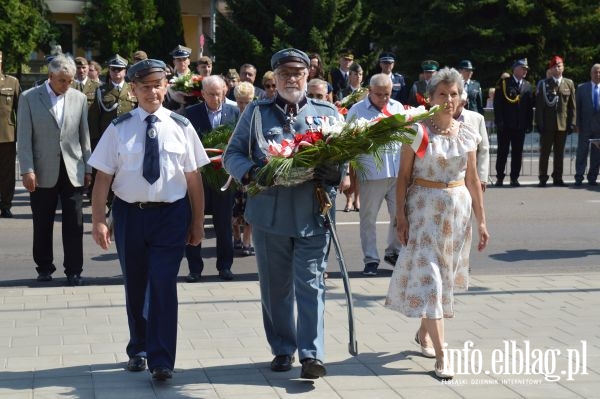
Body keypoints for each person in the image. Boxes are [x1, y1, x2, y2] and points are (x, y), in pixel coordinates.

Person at [223, 48, 342, 380]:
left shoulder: (327, 112)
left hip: (312, 213)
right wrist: (250, 174)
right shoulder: (258, 113)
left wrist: (333, 172)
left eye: (298, 73)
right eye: (285, 73)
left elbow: (343, 159)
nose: (292, 79)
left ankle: (312, 354)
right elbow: (233, 153)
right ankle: (282, 347)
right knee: (275, 288)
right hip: (269, 214)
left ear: (308, 74)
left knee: (311, 284)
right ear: (274, 77)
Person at [89, 59, 209, 381]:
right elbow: (102, 178)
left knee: (163, 284)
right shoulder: (118, 128)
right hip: (130, 215)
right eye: (145, 86)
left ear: (166, 86)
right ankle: (139, 347)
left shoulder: (182, 127)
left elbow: (194, 178)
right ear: (134, 89)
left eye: (157, 85)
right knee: (136, 283)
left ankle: (161, 359)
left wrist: (197, 222)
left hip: (170, 216)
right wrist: (99, 220)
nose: (152, 91)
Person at [385, 67, 489, 379]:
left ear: (461, 98)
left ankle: (423, 332)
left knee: (441, 279)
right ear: (429, 98)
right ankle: (444, 356)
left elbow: (471, 178)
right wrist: (400, 217)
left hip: (456, 215)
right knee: (430, 280)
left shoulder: (468, 131)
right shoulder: (417, 131)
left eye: (453, 94)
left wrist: (482, 222)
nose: (448, 100)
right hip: (423, 212)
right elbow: (404, 177)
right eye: (441, 94)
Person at [16, 54, 92, 286]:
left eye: (69, 81)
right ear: (50, 77)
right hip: (41, 170)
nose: (67, 85)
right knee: (42, 222)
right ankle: (44, 267)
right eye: (62, 81)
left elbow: (84, 136)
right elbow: (24, 138)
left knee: (74, 223)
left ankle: (74, 270)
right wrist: (27, 170)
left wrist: (88, 167)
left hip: (73, 169)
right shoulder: (29, 98)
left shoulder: (78, 98)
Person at [183, 75, 240, 282]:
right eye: (211, 94)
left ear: (225, 91)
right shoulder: (191, 113)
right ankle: (194, 269)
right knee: (193, 221)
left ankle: (225, 266)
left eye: (219, 94)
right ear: (203, 94)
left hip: (224, 178)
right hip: (199, 176)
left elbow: (239, 142)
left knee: (223, 224)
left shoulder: (235, 112)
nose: (215, 98)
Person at [347, 74, 404, 276]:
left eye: (387, 94)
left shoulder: (397, 108)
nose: (383, 98)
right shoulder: (357, 111)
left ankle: (394, 252)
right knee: (368, 219)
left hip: (397, 173)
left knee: (400, 215)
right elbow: (348, 143)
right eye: (379, 94)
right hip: (371, 173)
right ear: (369, 91)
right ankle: (371, 259)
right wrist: (348, 175)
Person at [535, 55, 576, 187]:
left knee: (560, 154)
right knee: (545, 153)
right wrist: (539, 124)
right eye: (555, 66)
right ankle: (543, 177)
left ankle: (558, 177)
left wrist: (572, 123)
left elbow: (572, 106)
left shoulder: (569, 83)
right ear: (551, 69)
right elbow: (540, 107)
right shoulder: (544, 84)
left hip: (562, 125)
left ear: (563, 67)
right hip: (547, 125)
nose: (558, 68)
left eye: (560, 65)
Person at [493, 58, 534, 187]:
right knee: (502, 152)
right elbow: (497, 104)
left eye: (526, 69)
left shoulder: (527, 86)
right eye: (523, 68)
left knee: (517, 153)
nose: (525, 71)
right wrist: (499, 121)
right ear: (515, 68)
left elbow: (529, 108)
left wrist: (529, 123)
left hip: (519, 126)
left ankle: (514, 178)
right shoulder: (504, 83)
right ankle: (499, 177)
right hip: (505, 125)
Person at [231, 82, 256, 255]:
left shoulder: (258, 116)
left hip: (250, 169)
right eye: (240, 101)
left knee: (249, 206)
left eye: (247, 101)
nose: (243, 105)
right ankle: (236, 238)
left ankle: (247, 240)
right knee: (234, 207)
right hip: (233, 170)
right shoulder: (230, 115)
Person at [454, 91, 490, 191]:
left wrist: (482, 177)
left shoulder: (477, 118)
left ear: (464, 103)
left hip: (471, 174)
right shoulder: (442, 118)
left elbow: (484, 149)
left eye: (458, 102)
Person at [0, 50, 21, 218]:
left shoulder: (11, 82)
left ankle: (6, 205)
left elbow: (20, 110)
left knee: (7, 173)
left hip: (6, 135)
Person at [574, 64, 600, 186]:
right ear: (591, 73)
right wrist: (577, 124)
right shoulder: (581, 88)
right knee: (582, 152)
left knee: (596, 154)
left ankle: (592, 177)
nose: (597, 74)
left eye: (599, 72)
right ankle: (579, 177)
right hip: (584, 126)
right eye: (595, 72)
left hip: (599, 128)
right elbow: (577, 108)